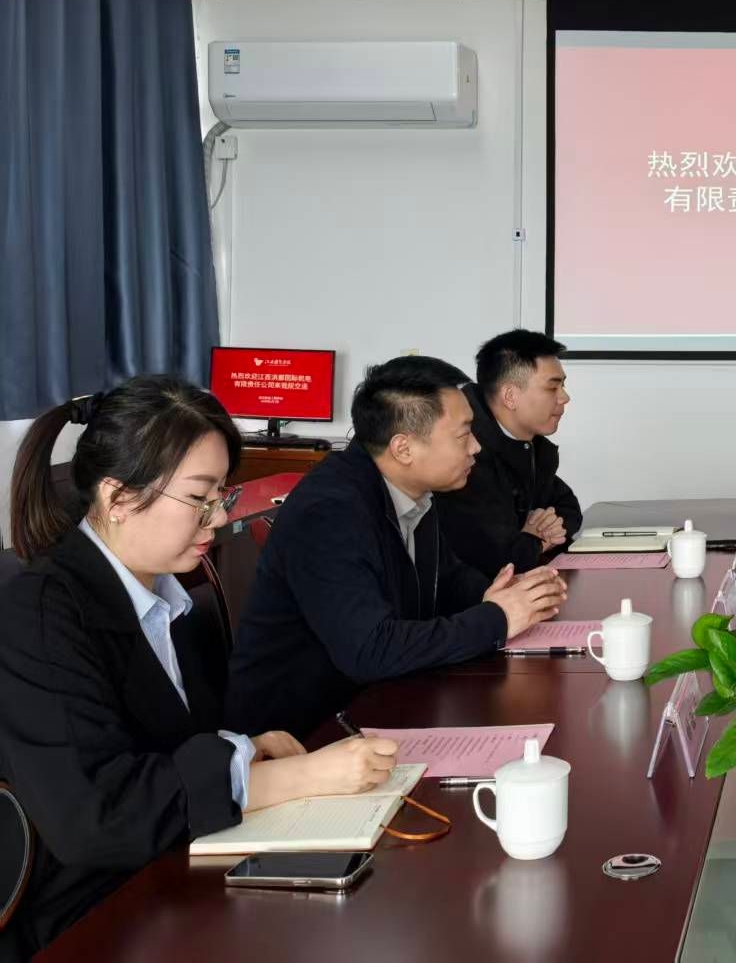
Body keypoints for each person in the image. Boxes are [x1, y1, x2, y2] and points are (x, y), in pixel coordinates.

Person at [0, 377, 397, 960]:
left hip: (174, 870)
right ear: (118, 498)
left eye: (221, 496)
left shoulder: (169, 597)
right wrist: (296, 777)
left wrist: (245, 749)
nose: (215, 519)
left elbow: (172, 748)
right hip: (92, 916)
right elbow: (96, 816)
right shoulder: (39, 613)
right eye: (198, 497)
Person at [226, 357, 568, 739]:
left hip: (378, 707)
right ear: (403, 448)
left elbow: (448, 581)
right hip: (298, 738)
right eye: (463, 435)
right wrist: (497, 618)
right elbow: (369, 649)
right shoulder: (330, 511)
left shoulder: (413, 490)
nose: (476, 447)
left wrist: (505, 594)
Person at [432, 329, 583, 577]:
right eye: (553, 387)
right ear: (510, 396)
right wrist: (536, 542)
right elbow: (497, 557)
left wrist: (540, 533)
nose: (564, 397)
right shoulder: (465, 456)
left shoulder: (532, 446)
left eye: (563, 385)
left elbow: (568, 506)